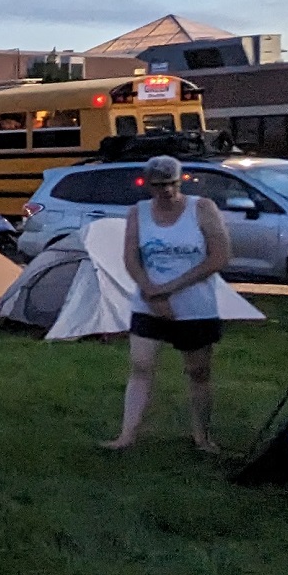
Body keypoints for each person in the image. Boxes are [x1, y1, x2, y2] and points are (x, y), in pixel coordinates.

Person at [104, 154, 234, 453]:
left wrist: (170, 289)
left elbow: (219, 257)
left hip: (195, 306)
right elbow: (131, 258)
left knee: (198, 371)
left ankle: (203, 437)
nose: (167, 191)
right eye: (160, 185)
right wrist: (151, 292)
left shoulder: (202, 208)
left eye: (172, 184)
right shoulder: (138, 213)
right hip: (148, 304)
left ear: (181, 181)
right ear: (148, 185)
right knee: (140, 365)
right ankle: (127, 435)